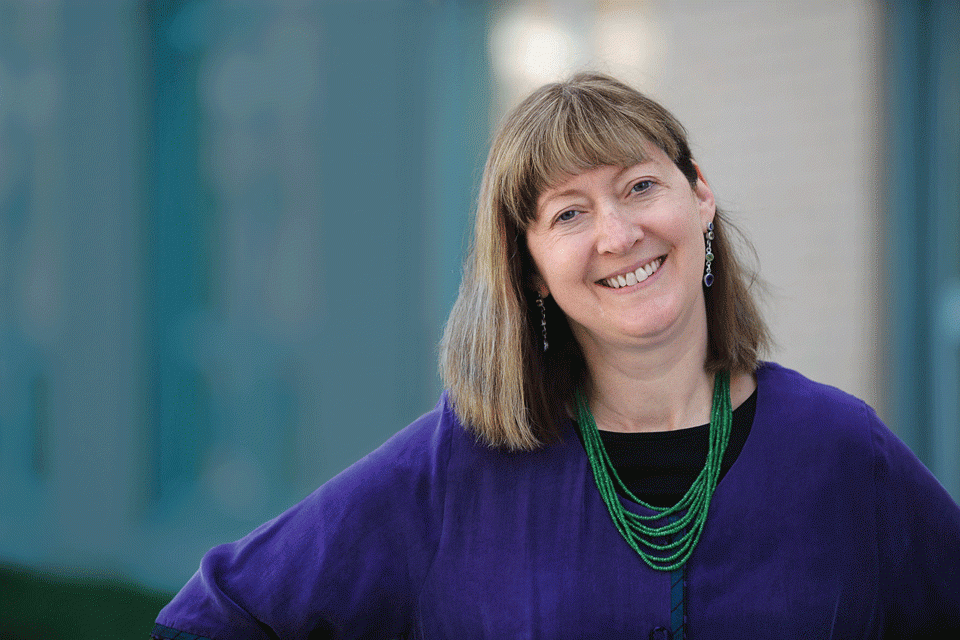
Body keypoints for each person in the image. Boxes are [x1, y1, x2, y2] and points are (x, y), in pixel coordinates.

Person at [152, 73, 960, 639]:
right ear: (531, 269)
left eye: (640, 186)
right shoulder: (456, 469)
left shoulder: (842, 452)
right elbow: (217, 618)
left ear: (699, 195)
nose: (618, 234)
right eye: (569, 213)